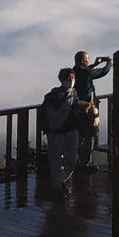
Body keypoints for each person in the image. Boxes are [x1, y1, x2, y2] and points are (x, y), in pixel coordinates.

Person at [40, 68, 82, 198]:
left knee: (72, 160)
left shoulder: (74, 94)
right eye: (68, 79)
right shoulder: (52, 96)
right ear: (62, 80)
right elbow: (45, 114)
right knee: (56, 161)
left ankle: (60, 181)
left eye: (72, 79)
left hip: (71, 131)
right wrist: (47, 129)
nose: (71, 81)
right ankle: (58, 186)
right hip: (56, 133)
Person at [72, 51, 111, 171]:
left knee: (78, 134)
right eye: (87, 59)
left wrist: (94, 64)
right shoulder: (85, 72)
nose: (88, 60)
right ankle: (84, 163)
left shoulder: (74, 70)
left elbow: (88, 71)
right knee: (88, 133)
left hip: (76, 107)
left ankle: (75, 162)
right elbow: (102, 72)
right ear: (83, 60)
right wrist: (109, 62)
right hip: (86, 107)